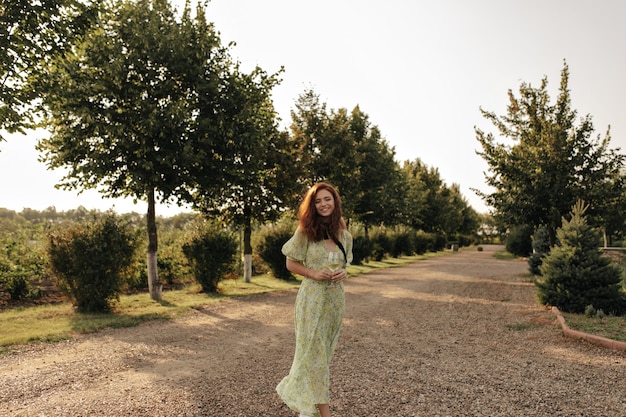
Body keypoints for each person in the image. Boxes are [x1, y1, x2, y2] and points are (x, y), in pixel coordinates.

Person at [276, 182, 353, 417]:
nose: (323, 204)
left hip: (334, 302)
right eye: (318, 201)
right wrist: (313, 273)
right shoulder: (305, 232)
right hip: (311, 301)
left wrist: (343, 273)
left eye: (327, 199)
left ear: (335, 201)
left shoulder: (345, 235)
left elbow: (345, 263)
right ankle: (323, 414)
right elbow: (290, 262)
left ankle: (307, 409)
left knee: (322, 357)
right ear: (313, 205)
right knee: (314, 356)